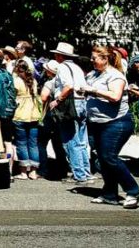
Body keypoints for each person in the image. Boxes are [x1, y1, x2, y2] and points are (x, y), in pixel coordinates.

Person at [82, 46, 139, 208]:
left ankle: (133, 191)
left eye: (95, 58)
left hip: (116, 123)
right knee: (100, 160)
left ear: (105, 59)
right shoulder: (93, 74)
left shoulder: (116, 76)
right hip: (96, 122)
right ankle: (110, 194)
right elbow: (89, 90)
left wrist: (93, 90)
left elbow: (115, 96)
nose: (92, 61)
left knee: (109, 157)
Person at [49, 42, 92, 184]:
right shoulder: (77, 68)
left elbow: (68, 86)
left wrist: (57, 100)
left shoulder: (62, 67)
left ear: (60, 55)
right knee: (81, 140)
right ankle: (86, 172)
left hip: (70, 104)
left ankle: (79, 175)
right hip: (81, 102)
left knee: (71, 141)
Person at [12, 59, 42, 180]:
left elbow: (12, 96)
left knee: (22, 144)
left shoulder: (16, 81)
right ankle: (33, 172)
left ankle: (24, 171)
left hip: (20, 114)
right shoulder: (33, 81)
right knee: (33, 144)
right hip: (33, 114)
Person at [38, 60, 68, 180]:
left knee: (41, 142)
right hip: (63, 115)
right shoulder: (63, 83)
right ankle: (62, 169)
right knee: (58, 144)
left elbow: (44, 97)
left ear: (49, 72)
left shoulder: (50, 83)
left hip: (51, 115)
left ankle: (43, 169)